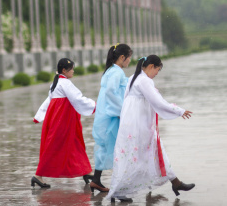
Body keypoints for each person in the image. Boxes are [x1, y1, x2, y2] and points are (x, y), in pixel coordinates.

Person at [107, 55, 194, 202]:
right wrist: (179, 110)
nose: (156, 74)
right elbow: (158, 102)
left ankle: (175, 182)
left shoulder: (133, 78)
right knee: (141, 155)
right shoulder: (144, 81)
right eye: (157, 70)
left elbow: (127, 101)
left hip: (132, 125)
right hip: (140, 126)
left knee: (138, 155)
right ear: (152, 66)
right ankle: (118, 190)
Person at [32, 58, 96, 188]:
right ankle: (38, 175)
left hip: (62, 120)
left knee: (75, 144)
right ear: (64, 70)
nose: (73, 71)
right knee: (56, 146)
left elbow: (48, 102)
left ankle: (87, 171)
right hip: (63, 121)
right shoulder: (65, 83)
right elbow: (78, 98)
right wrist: (95, 105)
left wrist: (39, 116)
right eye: (71, 69)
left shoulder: (56, 84)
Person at [91, 43, 132, 192]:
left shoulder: (110, 71)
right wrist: (123, 110)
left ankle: (96, 179)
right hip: (112, 115)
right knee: (120, 148)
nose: (129, 61)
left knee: (104, 147)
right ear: (122, 57)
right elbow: (110, 92)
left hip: (105, 114)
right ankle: (119, 187)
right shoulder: (117, 72)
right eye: (129, 58)